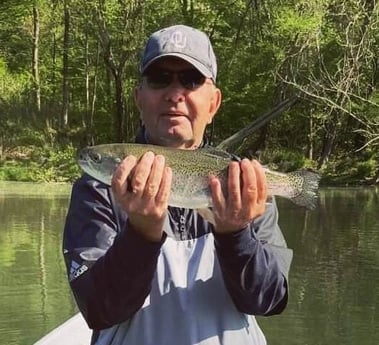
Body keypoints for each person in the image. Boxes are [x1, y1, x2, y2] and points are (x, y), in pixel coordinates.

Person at [63, 24, 293, 345]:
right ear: (138, 98)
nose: (174, 93)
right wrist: (141, 234)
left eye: (191, 80)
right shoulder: (98, 189)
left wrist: (236, 234)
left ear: (213, 103)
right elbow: (99, 310)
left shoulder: (242, 186)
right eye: (160, 79)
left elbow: (268, 300)